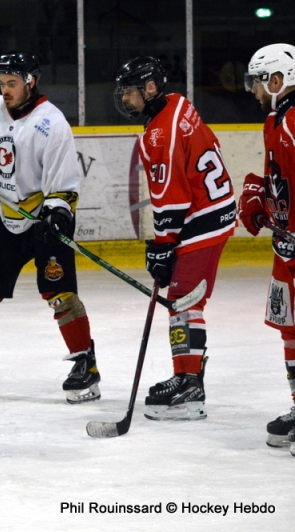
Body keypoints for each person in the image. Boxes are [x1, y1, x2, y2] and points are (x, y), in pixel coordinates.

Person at [0, 51, 101, 405]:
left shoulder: (52, 123)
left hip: (45, 220)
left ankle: (85, 365)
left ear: (31, 82)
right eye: (1, 83)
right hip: (6, 217)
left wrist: (56, 215)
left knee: (62, 296)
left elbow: (64, 183)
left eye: (12, 83)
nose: (5, 90)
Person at [114, 56, 237, 421]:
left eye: (131, 92)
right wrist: (164, 244)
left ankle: (188, 386)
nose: (125, 99)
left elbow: (173, 196)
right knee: (184, 297)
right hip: (212, 207)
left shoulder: (158, 134)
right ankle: (190, 374)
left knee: (183, 299)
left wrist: (163, 246)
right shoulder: (178, 102)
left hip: (203, 216)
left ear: (150, 89)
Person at [240, 43, 295, 451]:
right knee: (289, 331)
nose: (253, 90)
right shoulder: (275, 121)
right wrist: (262, 198)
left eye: (258, 82)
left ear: (277, 80)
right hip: (286, 246)